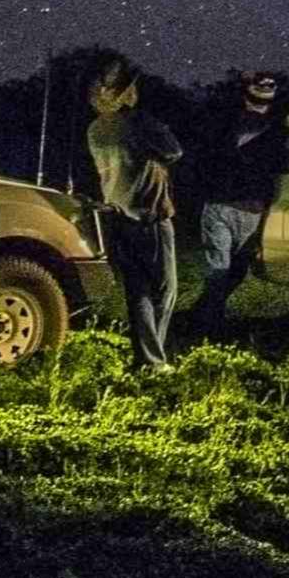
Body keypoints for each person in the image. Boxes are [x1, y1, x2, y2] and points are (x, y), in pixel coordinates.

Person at [85, 54, 185, 371]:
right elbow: (173, 150)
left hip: (116, 215)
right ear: (125, 93)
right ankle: (153, 360)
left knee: (137, 291)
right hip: (150, 215)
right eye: (132, 87)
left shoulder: (95, 129)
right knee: (165, 290)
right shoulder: (139, 122)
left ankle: (146, 358)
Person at [181, 68, 289, 339]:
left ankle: (200, 316)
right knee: (223, 270)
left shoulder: (254, 125)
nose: (265, 89)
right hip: (231, 206)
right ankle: (209, 327)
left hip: (236, 206)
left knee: (232, 271)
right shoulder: (269, 129)